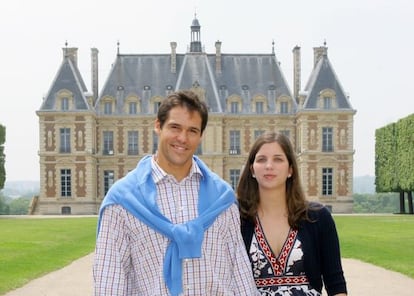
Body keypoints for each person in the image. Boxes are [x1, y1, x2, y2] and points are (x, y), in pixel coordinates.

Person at [93, 90, 259, 296]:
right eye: (174, 127)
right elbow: (110, 281)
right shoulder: (122, 201)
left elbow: (239, 272)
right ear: (157, 126)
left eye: (192, 131)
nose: (182, 138)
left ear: (201, 136)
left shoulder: (222, 199)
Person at [237, 131, 347, 296]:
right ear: (252, 170)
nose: (269, 165)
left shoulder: (318, 217)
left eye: (278, 159)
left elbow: (336, 284)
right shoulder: (238, 219)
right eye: (261, 159)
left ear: (290, 170)